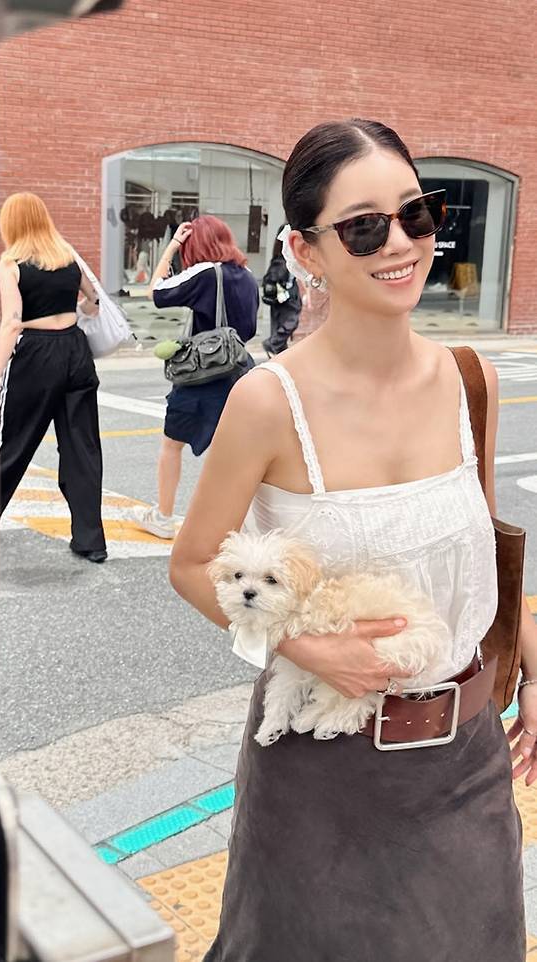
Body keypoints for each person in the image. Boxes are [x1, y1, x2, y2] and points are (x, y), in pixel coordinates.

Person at [169, 120, 536, 961]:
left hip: (466, 761)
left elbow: (482, 554)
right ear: (307, 251)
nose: (400, 243)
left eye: (416, 213)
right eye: (364, 227)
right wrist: (304, 647)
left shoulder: (468, 380)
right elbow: (191, 564)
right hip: (319, 768)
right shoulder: (269, 401)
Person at [0, 192, 107, 563]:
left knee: (11, 445)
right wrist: (71, 309)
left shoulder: (11, 263)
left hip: (36, 354)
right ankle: (91, 541)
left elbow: (11, 322)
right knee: (82, 448)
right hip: (75, 349)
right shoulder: (66, 254)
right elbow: (93, 301)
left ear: (10, 223)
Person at [131, 215, 259, 540]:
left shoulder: (206, 272)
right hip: (241, 372)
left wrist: (172, 246)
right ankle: (238, 524)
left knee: (172, 444)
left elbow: (155, 292)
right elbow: (250, 327)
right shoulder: (247, 275)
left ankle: (163, 516)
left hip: (204, 374)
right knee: (236, 452)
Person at [261, 226, 302, 354]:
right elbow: (275, 279)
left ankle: (278, 348)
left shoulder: (288, 259)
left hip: (287, 296)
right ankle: (274, 343)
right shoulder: (280, 260)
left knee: (281, 323)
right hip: (283, 297)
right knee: (290, 322)